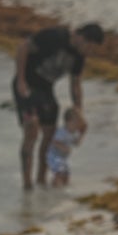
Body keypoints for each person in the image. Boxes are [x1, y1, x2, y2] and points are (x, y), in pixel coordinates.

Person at [12, 22, 105, 190]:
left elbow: (75, 84)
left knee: (50, 134)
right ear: (82, 38)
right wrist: (20, 80)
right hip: (27, 84)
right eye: (90, 48)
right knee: (32, 128)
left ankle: (41, 180)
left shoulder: (79, 58)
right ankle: (27, 185)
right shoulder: (56, 36)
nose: (89, 53)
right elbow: (23, 48)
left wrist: (78, 111)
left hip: (45, 89)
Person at [46, 106, 82, 187]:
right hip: (54, 156)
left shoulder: (75, 132)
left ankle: (64, 188)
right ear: (67, 122)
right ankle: (55, 187)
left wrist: (79, 139)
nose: (77, 125)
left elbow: (76, 143)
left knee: (66, 174)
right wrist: (63, 147)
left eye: (78, 123)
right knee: (59, 173)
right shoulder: (62, 131)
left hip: (63, 158)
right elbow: (54, 142)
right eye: (75, 123)